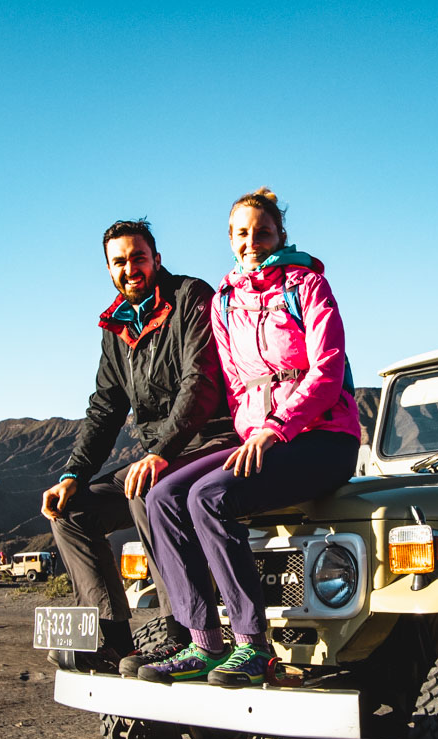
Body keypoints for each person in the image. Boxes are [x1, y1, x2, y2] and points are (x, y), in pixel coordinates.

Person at [139, 188, 360, 685]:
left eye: (263, 231)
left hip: (324, 438)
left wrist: (278, 428)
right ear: (231, 238)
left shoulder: (307, 285)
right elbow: (237, 385)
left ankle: (252, 645)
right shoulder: (225, 300)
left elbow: (325, 373)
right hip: (261, 436)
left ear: (281, 234)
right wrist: (256, 432)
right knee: (164, 497)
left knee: (210, 496)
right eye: (242, 233)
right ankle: (204, 642)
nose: (252, 241)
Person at [40, 220, 235, 670]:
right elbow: (105, 408)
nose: (131, 268)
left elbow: (201, 382)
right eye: (120, 261)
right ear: (109, 268)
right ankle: (112, 641)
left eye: (138, 257)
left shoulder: (190, 297)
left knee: (146, 486)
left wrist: (161, 452)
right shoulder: (116, 327)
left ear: (156, 259)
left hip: (210, 440)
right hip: (159, 453)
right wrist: (73, 475)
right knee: (70, 512)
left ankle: (181, 632)